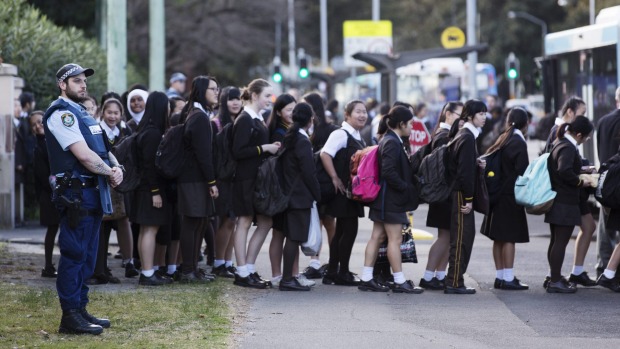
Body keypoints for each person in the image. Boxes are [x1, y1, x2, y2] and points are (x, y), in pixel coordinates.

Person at [44, 63, 123, 335]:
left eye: (84, 81)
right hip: (76, 193)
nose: (83, 85)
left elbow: (103, 150)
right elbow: (84, 155)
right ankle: (69, 316)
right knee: (74, 253)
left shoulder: (84, 114)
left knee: (88, 255)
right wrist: (110, 173)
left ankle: (80, 307)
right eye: (76, 81)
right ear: (62, 85)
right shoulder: (61, 114)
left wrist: (117, 169)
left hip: (93, 191)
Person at [358, 106, 423, 294]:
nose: (412, 127)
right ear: (401, 124)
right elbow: (388, 171)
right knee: (394, 239)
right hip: (391, 199)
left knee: (377, 237)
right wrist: (406, 187)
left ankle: (366, 277)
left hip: (384, 198)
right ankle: (399, 281)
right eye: (410, 124)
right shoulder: (392, 142)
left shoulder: (389, 139)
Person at [543, 97, 597, 288]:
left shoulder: (561, 142)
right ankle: (555, 280)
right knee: (561, 241)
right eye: (587, 137)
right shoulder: (567, 147)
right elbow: (564, 170)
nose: (587, 140)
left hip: (559, 199)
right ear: (580, 134)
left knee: (557, 241)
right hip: (565, 201)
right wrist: (579, 181)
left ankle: (553, 277)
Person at [232, 78, 280, 289]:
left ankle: (249, 268)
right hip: (245, 178)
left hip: (257, 178)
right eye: (267, 96)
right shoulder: (244, 119)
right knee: (243, 222)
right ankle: (242, 271)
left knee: (265, 221)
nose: (270, 100)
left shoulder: (258, 117)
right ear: (254, 96)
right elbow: (238, 151)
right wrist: (265, 148)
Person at [88, 98, 138, 285]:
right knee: (102, 226)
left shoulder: (125, 131)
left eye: (116, 113)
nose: (113, 116)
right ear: (102, 113)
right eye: (109, 112)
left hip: (121, 185)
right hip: (103, 182)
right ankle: (100, 268)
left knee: (123, 220)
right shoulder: (97, 131)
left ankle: (128, 261)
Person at [480, 108, 530, 290]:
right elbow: (523, 172)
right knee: (509, 237)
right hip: (510, 196)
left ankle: (500, 276)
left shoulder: (503, 138)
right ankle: (508, 278)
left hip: (496, 195)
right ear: (526, 124)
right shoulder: (518, 142)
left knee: (498, 238)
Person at [177, 76, 219, 283]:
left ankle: (193, 268)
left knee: (200, 221)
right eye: (213, 89)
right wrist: (212, 182)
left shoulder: (196, 113)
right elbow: (204, 154)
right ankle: (187, 270)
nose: (216, 92)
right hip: (193, 178)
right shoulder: (199, 117)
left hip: (194, 178)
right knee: (192, 222)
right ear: (202, 91)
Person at [321, 99, 367, 286]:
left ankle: (333, 271)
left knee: (341, 231)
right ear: (347, 115)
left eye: (364, 112)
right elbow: (325, 154)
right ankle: (342, 272)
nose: (362, 115)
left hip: (351, 191)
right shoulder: (341, 134)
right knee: (349, 231)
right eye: (358, 112)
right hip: (342, 192)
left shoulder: (357, 135)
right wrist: (334, 178)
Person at [444, 99, 487, 294]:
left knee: (463, 238)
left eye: (485, 113)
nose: (484, 117)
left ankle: (454, 279)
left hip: (458, 193)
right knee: (461, 239)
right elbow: (464, 173)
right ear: (470, 116)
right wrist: (469, 200)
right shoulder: (467, 137)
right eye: (480, 114)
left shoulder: (466, 135)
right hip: (461, 195)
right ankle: (454, 281)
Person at [131, 91, 174, 286]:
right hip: (150, 190)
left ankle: (147, 271)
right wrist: (156, 192)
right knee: (149, 231)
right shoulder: (153, 133)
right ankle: (148, 273)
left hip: (144, 188)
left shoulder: (145, 129)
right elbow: (150, 166)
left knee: (145, 230)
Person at [420, 101, 463, 290]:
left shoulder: (444, 134)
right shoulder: (444, 136)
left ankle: (438, 275)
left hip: (444, 194)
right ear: (448, 114)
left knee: (449, 236)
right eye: (460, 116)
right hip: (443, 194)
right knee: (445, 237)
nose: (462, 121)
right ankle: (429, 276)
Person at [279, 102, 321, 291]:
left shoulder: (292, 136)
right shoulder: (302, 140)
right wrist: (317, 194)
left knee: (292, 237)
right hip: (300, 196)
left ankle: (289, 277)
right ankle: (287, 279)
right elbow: (308, 172)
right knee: (294, 238)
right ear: (310, 120)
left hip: (291, 194)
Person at [302, 92, 339, 279]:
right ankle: (328, 262)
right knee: (325, 222)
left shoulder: (323, 130)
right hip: (323, 182)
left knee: (323, 222)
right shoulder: (329, 128)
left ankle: (321, 262)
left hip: (319, 182)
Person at [265, 93, 297, 286]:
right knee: (279, 233)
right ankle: (277, 274)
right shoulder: (279, 132)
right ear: (278, 112)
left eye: (294, 109)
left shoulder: (291, 129)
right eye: (288, 110)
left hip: (288, 189)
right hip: (281, 189)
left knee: (291, 234)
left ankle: (292, 273)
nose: (292, 113)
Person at [212, 86, 242, 278]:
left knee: (234, 221)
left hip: (236, 179)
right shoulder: (215, 123)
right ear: (224, 101)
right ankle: (218, 262)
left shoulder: (240, 121)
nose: (235, 102)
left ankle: (228, 262)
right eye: (231, 99)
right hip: (221, 179)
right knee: (226, 220)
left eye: (238, 99)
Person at [31, 110, 61, 278]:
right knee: (53, 228)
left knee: (61, 229)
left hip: (55, 191)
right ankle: (48, 265)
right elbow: (43, 176)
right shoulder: (39, 147)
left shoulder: (54, 140)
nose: (38, 126)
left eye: (40, 121)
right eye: (34, 124)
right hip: (49, 194)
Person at [595, 87, 620, 277]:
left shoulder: (603, 121)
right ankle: (613, 272)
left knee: (605, 228)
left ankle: (603, 266)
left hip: (606, 181)